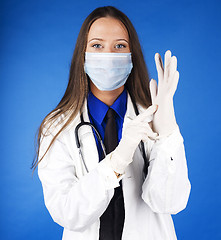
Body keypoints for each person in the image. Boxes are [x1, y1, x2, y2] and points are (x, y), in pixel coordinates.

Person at [32, 6, 191, 240]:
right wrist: (117, 161)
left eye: (120, 46)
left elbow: (170, 203)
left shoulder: (152, 117)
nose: (108, 54)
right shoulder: (57, 127)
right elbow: (67, 212)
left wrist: (167, 134)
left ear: (131, 56)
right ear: (82, 55)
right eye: (97, 45)